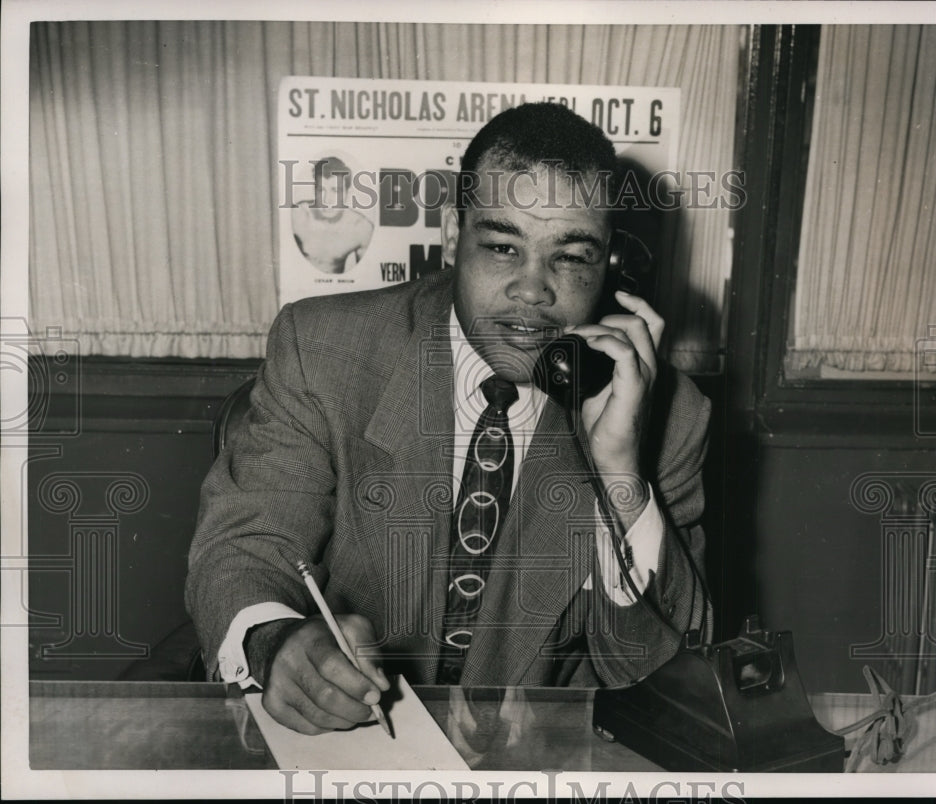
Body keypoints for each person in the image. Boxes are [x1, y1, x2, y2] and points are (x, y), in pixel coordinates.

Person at [186, 102, 711, 735]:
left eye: (571, 257)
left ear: (613, 267)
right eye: (500, 246)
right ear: (451, 236)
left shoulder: (668, 415)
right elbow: (245, 545)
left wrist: (619, 471)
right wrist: (275, 642)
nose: (532, 290)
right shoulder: (323, 351)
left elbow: (665, 676)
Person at [291, 156, 374, 274]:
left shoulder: (361, 227)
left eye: (335, 191)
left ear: (347, 193)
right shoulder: (298, 215)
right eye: (321, 190)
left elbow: (367, 279)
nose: (327, 200)